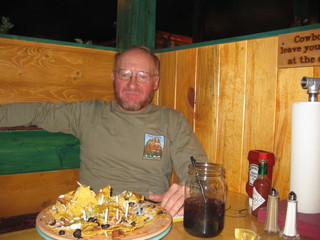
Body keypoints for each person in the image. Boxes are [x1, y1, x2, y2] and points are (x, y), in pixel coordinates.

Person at [0, 45, 208, 216]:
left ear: (156, 82)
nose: (132, 84)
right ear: (113, 77)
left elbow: (198, 169)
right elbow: (38, 112)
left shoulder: (171, 120)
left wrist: (188, 192)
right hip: (91, 216)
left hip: (148, 216)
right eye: (124, 74)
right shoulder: (88, 113)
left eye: (142, 76)